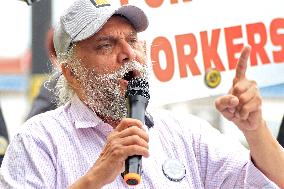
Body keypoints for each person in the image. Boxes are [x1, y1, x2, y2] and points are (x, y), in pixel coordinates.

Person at [1, 0, 284, 188]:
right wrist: (95, 178)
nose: (128, 54)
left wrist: (255, 130)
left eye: (133, 40)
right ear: (72, 74)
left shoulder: (185, 133)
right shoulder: (38, 140)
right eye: (106, 45)